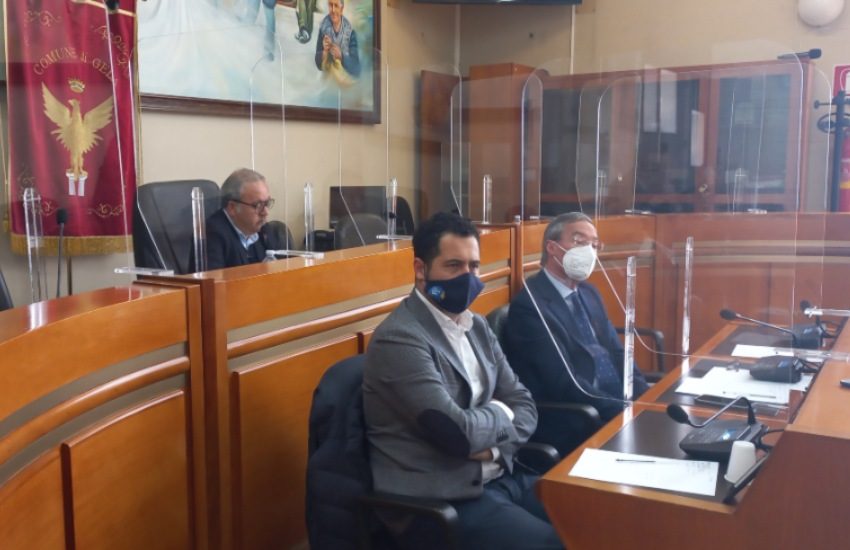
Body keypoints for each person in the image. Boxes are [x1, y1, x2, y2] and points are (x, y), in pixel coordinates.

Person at [363, 212, 562, 550]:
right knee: (552, 544)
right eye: (454, 266)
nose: (467, 277)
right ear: (421, 269)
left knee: (590, 520)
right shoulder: (400, 339)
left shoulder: (477, 326)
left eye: (474, 266)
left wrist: (493, 449)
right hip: (441, 501)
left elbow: (525, 404)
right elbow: (457, 433)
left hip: (501, 475)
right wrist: (502, 412)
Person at [504, 212, 650, 427]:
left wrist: (646, 399)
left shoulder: (590, 293)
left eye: (594, 245)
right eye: (579, 242)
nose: (589, 251)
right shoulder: (530, 305)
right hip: (580, 415)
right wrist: (624, 412)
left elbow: (618, 352)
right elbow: (564, 383)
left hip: (617, 401)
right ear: (552, 247)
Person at [203, 168, 282, 270]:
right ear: (232, 207)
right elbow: (213, 279)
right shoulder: (212, 235)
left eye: (267, 203)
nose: (266, 212)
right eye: (258, 205)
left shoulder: (264, 230)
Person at [314, 0, 361, 80]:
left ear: (341, 9)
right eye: (330, 5)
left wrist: (341, 56)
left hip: (345, 80)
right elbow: (318, 65)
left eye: (336, 6)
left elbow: (356, 69)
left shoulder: (350, 32)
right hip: (328, 80)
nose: (333, 10)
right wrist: (325, 52)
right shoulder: (323, 27)